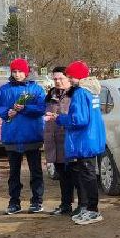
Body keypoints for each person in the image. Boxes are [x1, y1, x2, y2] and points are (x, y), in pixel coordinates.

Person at [0, 58, 47, 215]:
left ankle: (37, 201)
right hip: (12, 135)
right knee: (14, 172)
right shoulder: (4, 89)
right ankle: (14, 202)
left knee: (35, 171)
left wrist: (24, 108)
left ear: (26, 72)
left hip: (32, 135)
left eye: (20, 71)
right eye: (14, 71)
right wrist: (6, 112)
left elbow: (42, 108)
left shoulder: (36, 89)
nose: (17, 74)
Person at [56, 61, 107, 224]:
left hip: (84, 141)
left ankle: (92, 211)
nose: (69, 80)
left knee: (88, 177)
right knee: (89, 175)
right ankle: (89, 209)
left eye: (70, 77)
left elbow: (79, 119)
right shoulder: (91, 91)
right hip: (91, 139)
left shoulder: (79, 93)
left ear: (78, 77)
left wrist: (60, 118)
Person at [43, 67, 79, 216]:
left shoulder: (75, 94)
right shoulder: (50, 94)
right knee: (63, 176)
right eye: (55, 79)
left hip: (69, 140)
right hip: (54, 141)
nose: (57, 82)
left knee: (75, 175)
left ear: (68, 78)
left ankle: (82, 205)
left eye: (61, 79)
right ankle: (65, 204)